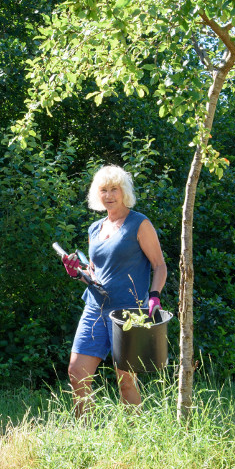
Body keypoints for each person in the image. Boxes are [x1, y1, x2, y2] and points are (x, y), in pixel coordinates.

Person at [66, 165, 166, 412]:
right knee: (77, 373)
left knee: (126, 380)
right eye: (103, 190)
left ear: (124, 192)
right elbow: (94, 274)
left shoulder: (139, 223)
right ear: (96, 194)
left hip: (128, 311)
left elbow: (160, 265)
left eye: (114, 189)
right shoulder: (95, 228)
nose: (109, 195)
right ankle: (84, 436)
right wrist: (76, 272)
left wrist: (154, 296)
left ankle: (132, 438)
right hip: (94, 309)